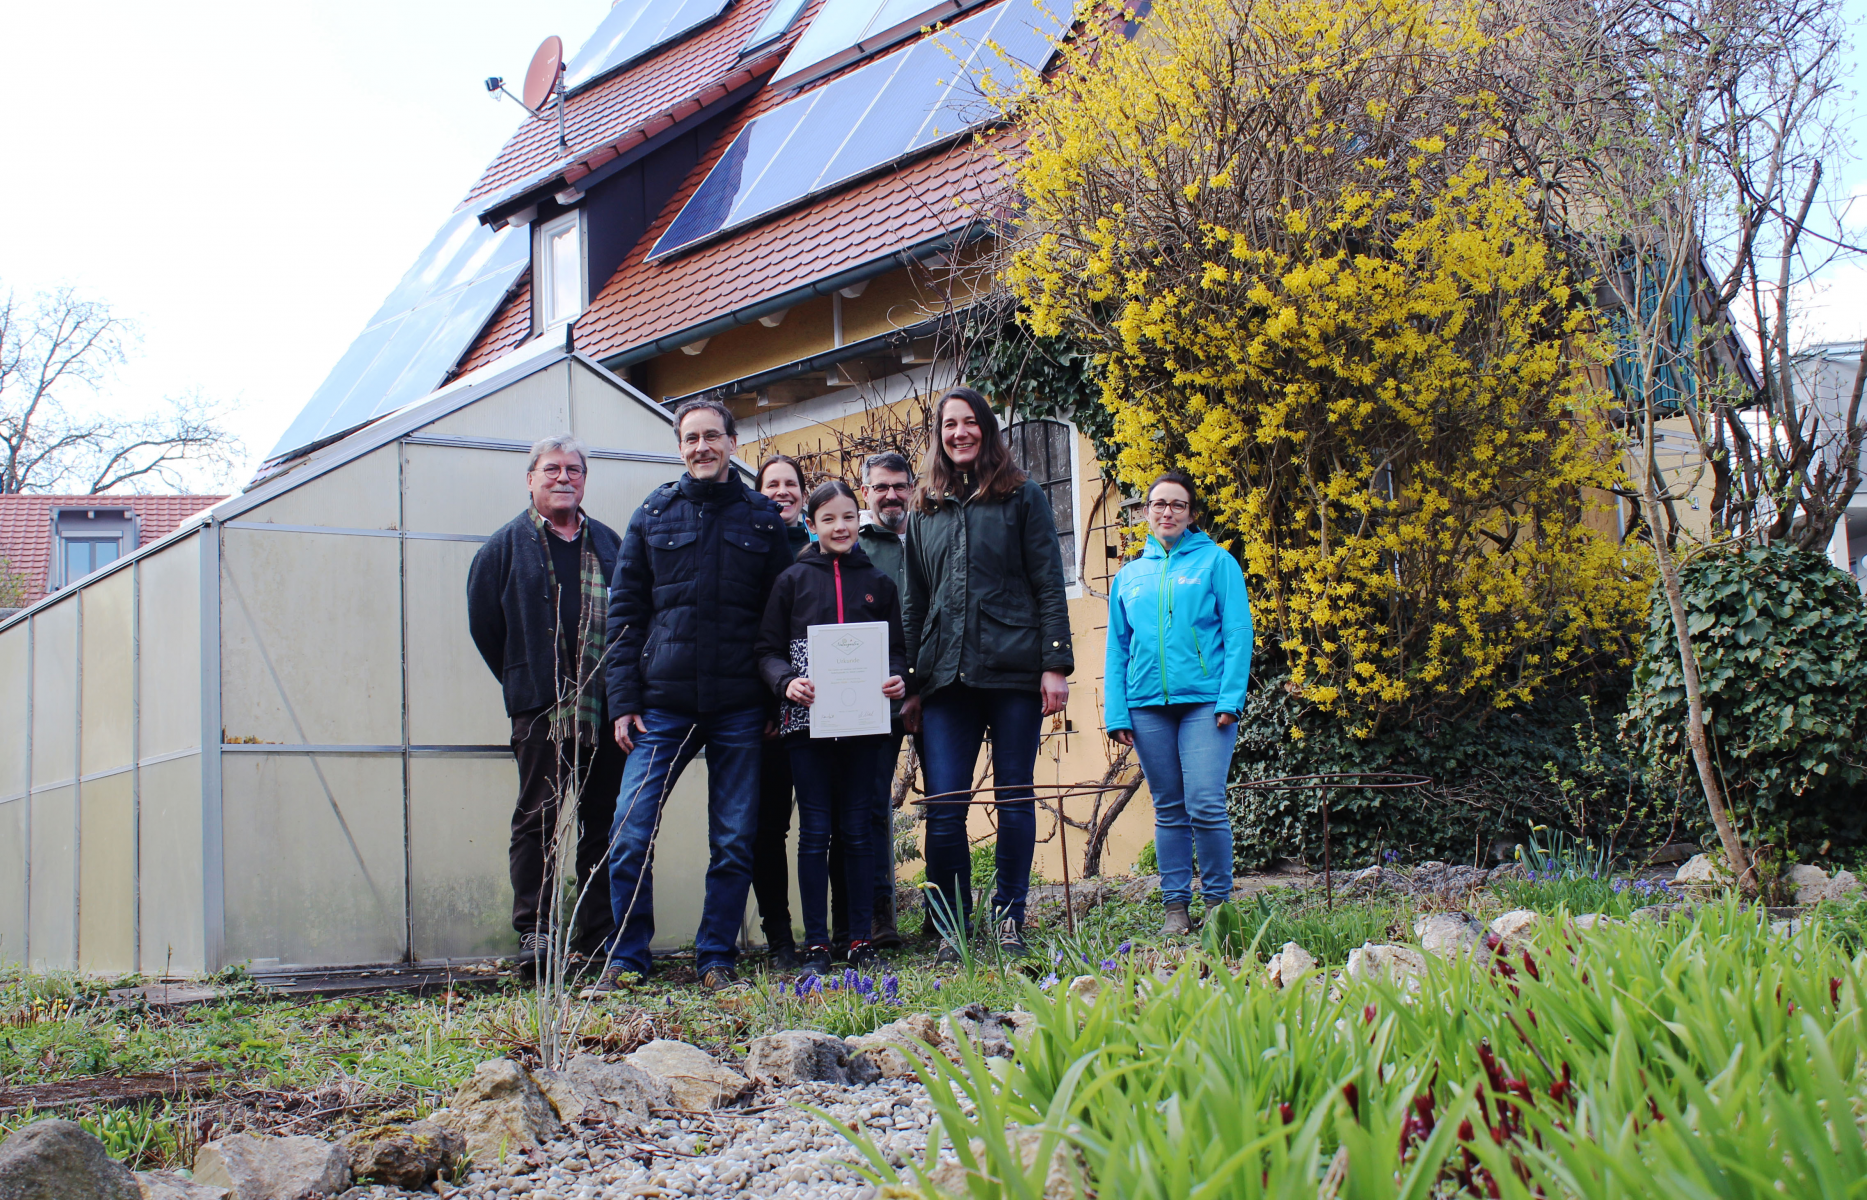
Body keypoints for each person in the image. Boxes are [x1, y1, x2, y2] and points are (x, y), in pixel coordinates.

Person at [588, 400, 796, 995]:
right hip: (663, 702)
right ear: (680, 447)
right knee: (629, 828)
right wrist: (623, 700)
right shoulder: (653, 515)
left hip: (739, 704)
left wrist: (778, 702)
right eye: (690, 438)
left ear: (732, 443)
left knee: (733, 839)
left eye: (712, 436)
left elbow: (784, 621)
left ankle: (716, 958)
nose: (701, 446)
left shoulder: (762, 519)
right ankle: (628, 958)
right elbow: (624, 616)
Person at [900, 388, 1073, 961]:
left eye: (969, 422)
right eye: (949, 425)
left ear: (987, 428)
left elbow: (1049, 579)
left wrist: (1054, 663)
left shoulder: (1022, 495)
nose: (959, 433)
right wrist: (913, 681)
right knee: (946, 807)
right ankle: (952, 927)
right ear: (939, 435)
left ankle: (1009, 917)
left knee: (1014, 798)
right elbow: (913, 600)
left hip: (1013, 671)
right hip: (945, 679)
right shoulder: (925, 507)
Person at [466, 435, 624, 979]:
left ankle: (596, 934)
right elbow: (486, 627)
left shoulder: (609, 543)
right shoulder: (502, 548)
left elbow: (632, 621)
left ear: (585, 480)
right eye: (552, 469)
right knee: (537, 820)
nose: (564, 478)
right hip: (542, 712)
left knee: (602, 822)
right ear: (530, 479)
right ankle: (536, 930)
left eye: (574, 470)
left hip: (605, 710)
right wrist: (526, 684)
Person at [756, 480, 908, 973]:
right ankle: (818, 942)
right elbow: (767, 651)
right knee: (814, 832)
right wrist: (786, 684)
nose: (840, 527)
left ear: (857, 520)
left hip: (865, 727)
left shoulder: (879, 584)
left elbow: (898, 652)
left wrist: (897, 680)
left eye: (847, 517)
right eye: (828, 519)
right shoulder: (792, 581)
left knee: (859, 831)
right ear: (812, 524)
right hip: (807, 726)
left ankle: (859, 937)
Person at [1103, 471, 1253, 935]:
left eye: (1177, 504)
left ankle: (1217, 907)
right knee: (1168, 808)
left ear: (1191, 513)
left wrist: (1231, 697)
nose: (1166, 511)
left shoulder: (1216, 563)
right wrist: (1116, 712)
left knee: (1206, 802)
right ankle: (1174, 909)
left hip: (1206, 704)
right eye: (1158, 504)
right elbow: (1117, 647)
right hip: (1146, 705)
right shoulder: (1129, 576)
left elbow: (1237, 632)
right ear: (1145, 512)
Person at [843, 451, 916, 949]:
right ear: (865, 491)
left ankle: (947, 916)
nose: (891, 495)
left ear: (913, 488)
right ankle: (878, 915)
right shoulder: (853, 545)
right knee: (871, 804)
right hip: (878, 695)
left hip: (940, 688)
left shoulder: (932, 535)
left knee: (948, 803)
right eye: (880, 487)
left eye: (899, 486)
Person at [750, 454, 812, 971]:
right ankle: (778, 937)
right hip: (766, 714)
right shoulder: (747, 547)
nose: (781, 492)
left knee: (823, 823)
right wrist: (769, 700)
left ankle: (832, 931)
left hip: (822, 714)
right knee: (768, 827)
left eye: (790, 484)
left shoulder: (824, 550)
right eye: (772, 484)